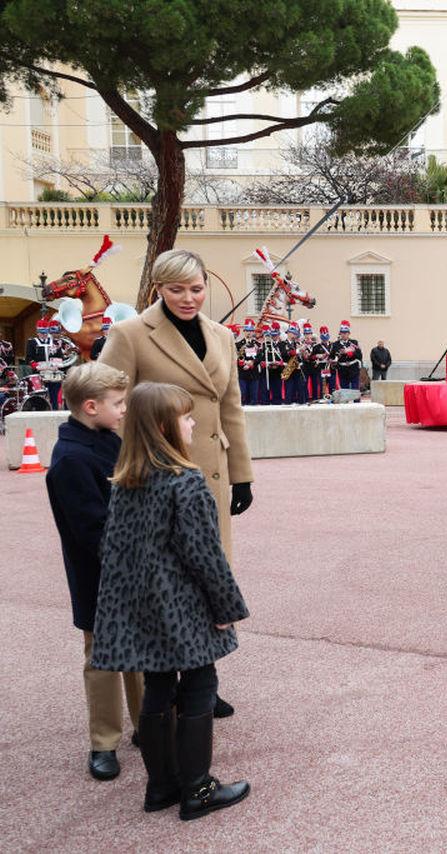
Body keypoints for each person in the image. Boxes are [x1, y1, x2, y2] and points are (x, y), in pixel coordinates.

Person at [99, 248, 253, 717]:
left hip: (211, 474)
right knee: (169, 582)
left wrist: (242, 474)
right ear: (158, 290)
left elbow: (231, 407)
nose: (189, 298)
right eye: (177, 289)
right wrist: (135, 460)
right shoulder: (130, 334)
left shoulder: (222, 335)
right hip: (157, 479)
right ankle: (163, 689)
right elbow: (106, 398)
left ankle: (205, 677)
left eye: (197, 288)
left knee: (212, 575)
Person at [91, 382, 250, 820]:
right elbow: (205, 554)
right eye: (186, 417)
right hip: (183, 604)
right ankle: (197, 788)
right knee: (200, 683)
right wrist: (227, 608)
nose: (193, 422)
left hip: (143, 605)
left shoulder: (127, 481)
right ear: (165, 427)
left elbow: (113, 548)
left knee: (159, 687)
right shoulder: (187, 482)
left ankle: (161, 786)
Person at [44, 362, 143, 782]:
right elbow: (92, 529)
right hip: (100, 575)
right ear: (90, 406)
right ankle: (103, 742)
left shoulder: (106, 441)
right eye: (117, 404)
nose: (123, 410)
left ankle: (149, 724)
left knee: (140, 651)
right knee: (103, 658)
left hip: (133, 566)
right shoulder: (71, 458)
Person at [335, 320, 362, 391]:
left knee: (355, 389)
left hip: (353, 368)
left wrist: (350, 353)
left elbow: (359, 355)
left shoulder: (354, 342)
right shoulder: (336, 344)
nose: (343, 335)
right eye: (342, 333)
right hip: (342, 369)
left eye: (345, 333)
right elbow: (332, 356)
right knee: (344, 390)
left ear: (349, 333)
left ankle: (356, 402)